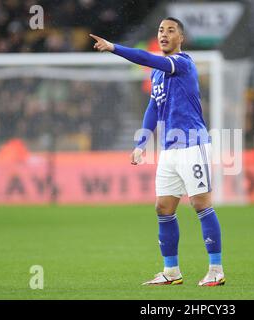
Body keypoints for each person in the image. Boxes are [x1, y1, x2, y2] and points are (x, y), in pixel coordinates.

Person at [89, 17, 225, 286]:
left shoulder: (182, 63)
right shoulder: (157, 73)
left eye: (170, 30)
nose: (164, 34)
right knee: (163, 208)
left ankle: (216, 269)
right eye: (161, 30)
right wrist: (141, 143)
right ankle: (171, 271)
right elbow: (154, 107)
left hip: (193, 143)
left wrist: (114, 47)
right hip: (169, 149)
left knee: (201, 204)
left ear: (181, 38)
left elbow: (143, 57)